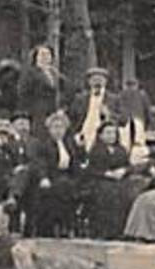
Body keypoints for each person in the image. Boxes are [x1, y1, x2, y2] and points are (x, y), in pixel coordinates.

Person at [24, 109, 81, 238]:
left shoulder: (70, 144)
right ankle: (59, 226)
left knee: (68, 187)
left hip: (68, 177)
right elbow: (40, 163)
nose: (58, 130)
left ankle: (67, 225)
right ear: (49, 129)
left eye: (61, 127)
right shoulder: (43, 145)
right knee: (61, 188)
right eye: (55, 127)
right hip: (50, 177)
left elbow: (76, 163)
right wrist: (43, 177)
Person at [81, 119, 132, 238]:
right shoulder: (96, 150)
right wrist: (106, 173)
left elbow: (127, 165)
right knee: (107, 193)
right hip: (101, 180)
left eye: (113, 133)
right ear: (101, 135)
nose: (111, 136)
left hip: (120, 180)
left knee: (126, 193)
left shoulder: (121, 150)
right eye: (108, 133)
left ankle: (121, 230)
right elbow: (91, 170)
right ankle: (105, 231)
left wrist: (123, 171)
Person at [69, 66, 114, 152]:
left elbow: (123, 119)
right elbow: (72, 117)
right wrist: (75, 134)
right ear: (89, 82)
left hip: (104, 135)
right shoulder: (80, 98)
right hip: (84, 134)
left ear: (105, 82)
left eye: (100, 79)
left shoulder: (113, 99)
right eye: (94, 79)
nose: (97, 82)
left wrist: (109, 115)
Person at [17, 45, 60, 128]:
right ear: (36, 57)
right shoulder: (30, 73)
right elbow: (23, 93)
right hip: (37, 111)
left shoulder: (54, 73)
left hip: (52, 111)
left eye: (48, 54)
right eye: (42, 54)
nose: (45, 57)